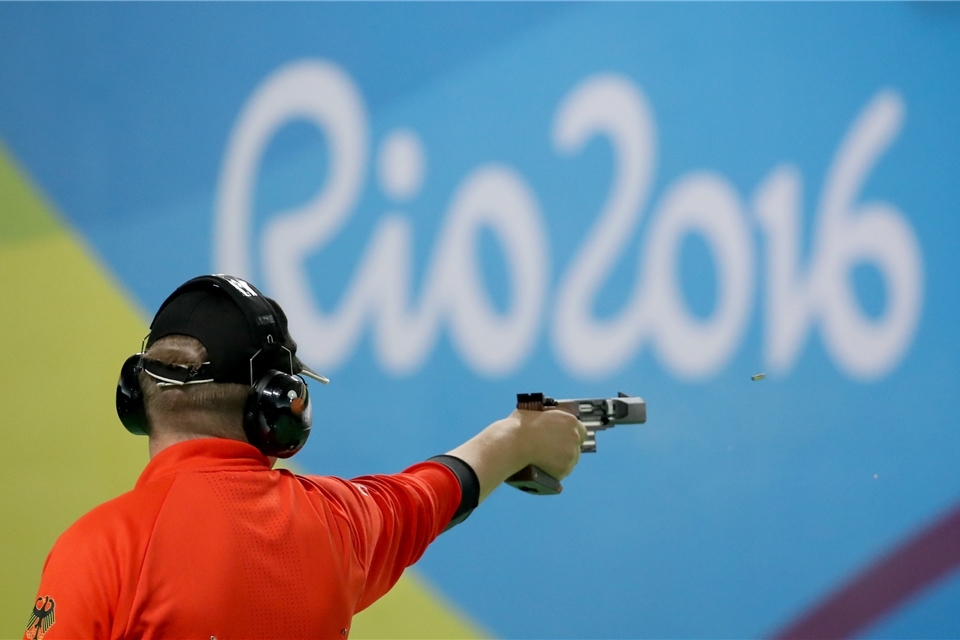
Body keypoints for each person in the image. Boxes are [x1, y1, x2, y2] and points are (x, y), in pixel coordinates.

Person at [25, 274, 585, 640]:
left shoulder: (100, 548)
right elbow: (441, 488)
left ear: (135, 394)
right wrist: (520, 438)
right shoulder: (336, 522)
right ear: (280, 407)